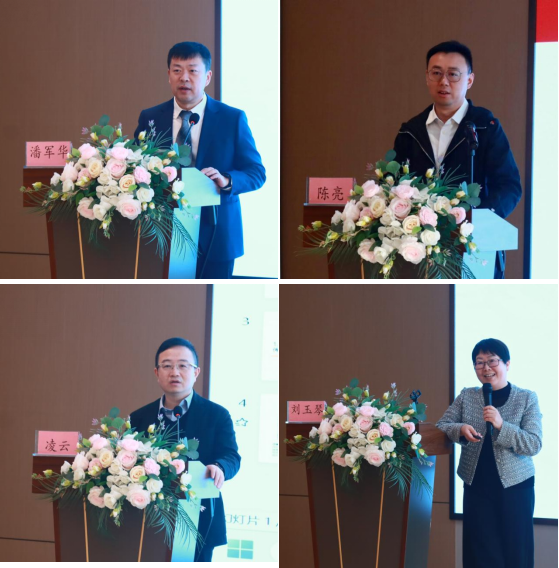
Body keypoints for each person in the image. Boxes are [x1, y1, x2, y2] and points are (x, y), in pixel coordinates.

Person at [134, 42, 266, 279]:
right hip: (162, 232)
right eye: (177, 70)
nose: (184, 78)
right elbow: (136, 167)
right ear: (169, 75)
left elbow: (256, 172)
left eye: (193, 71)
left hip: (216, 233)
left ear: (207, 77)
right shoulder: (150, 117)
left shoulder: (232, 118)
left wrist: (226, 180)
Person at [393, 40, 522, 278]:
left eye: (453, 74)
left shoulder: (485, 127)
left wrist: (478, 218)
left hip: (474, 247)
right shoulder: (410, 131)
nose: (444, 81)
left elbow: (509, 186)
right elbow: (394, 184)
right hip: (419, 249)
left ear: (469, 80)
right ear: (427, 77)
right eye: (436, 73)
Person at [130, 337, 241, 562]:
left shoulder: (217, 415)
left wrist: (219, 467)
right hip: (147, 520)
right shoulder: (139, 417)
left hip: (200, 519)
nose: (175, 372)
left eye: (183, 365)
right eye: (167, 366)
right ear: (157, 372)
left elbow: (231, 456)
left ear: (196, 372)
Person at [436, 338, 542, 568]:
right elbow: (442, 426)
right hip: (477, 488)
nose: (486, 368)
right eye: (479, 362)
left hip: (516, 489)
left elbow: (533, 443)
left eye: (492, 361)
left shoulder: (526, 398)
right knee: (480, 554)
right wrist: (460, 429)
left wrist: (502, 425)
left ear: (507, 364)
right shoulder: (467, 396)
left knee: (515, 552)